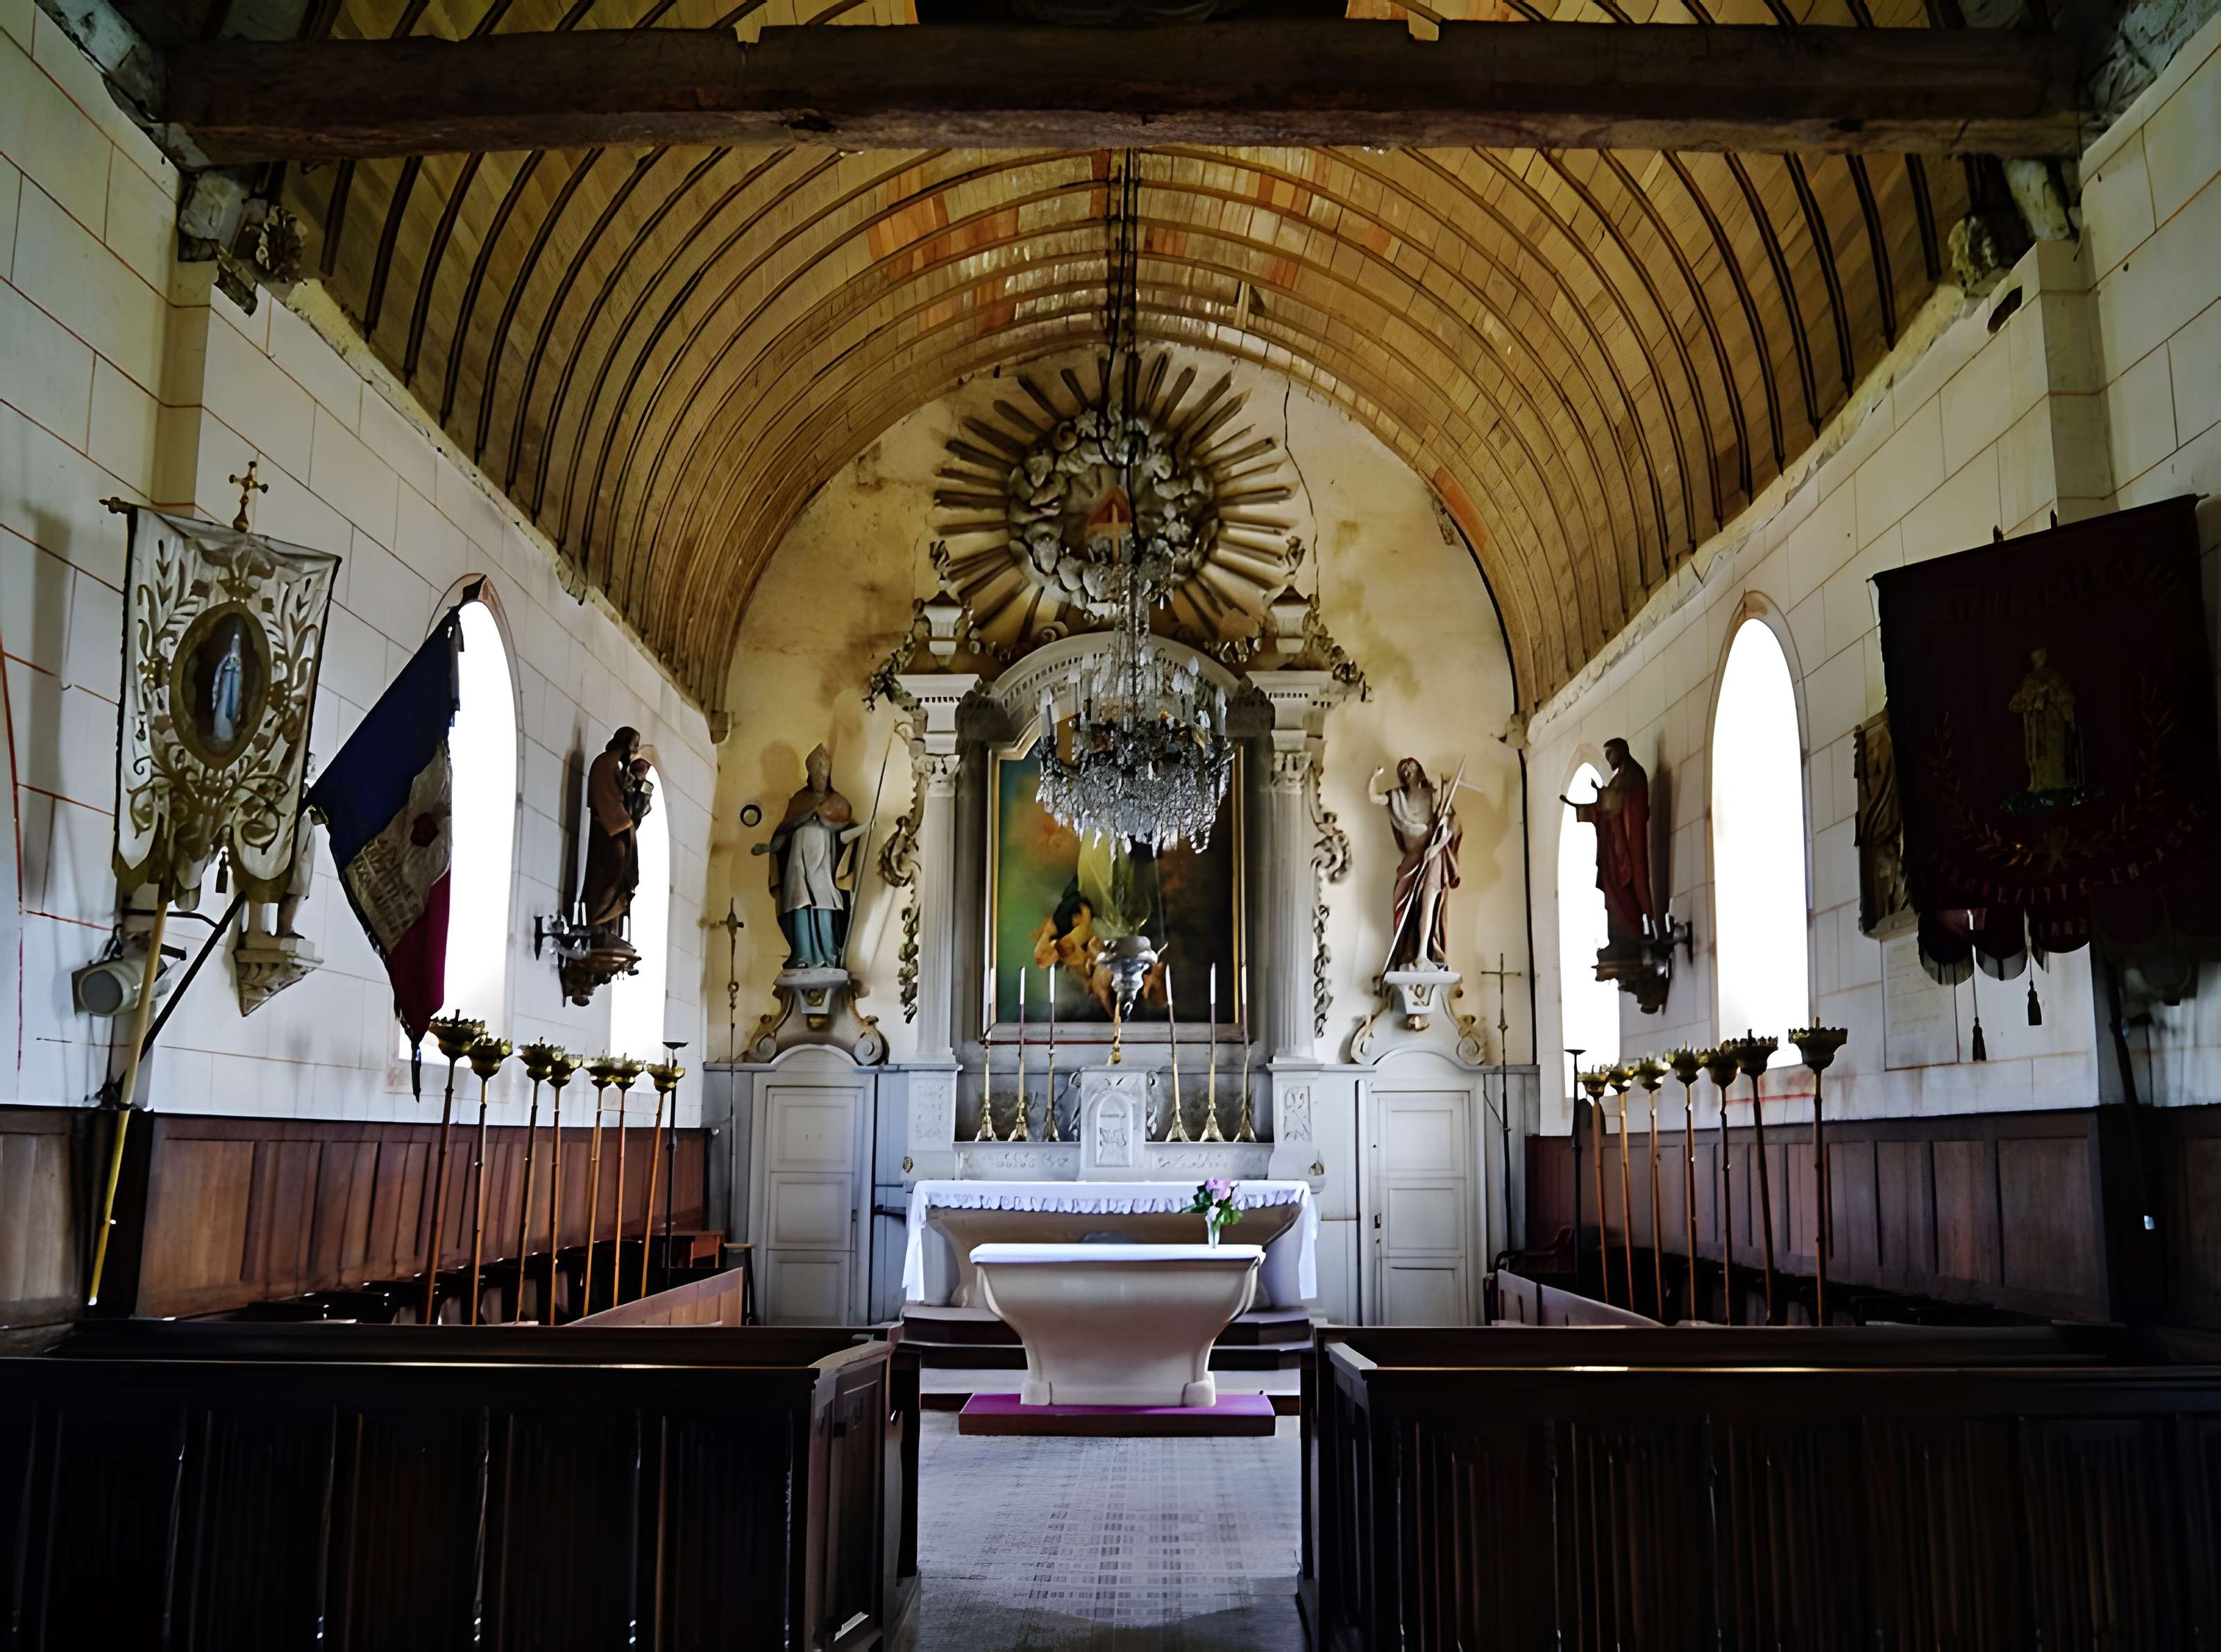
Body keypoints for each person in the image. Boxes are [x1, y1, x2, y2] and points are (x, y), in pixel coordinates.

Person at [754, 744, 870, 969]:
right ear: (810, 776)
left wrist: (864, 828)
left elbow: (844, 835)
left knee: (826, 902)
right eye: (817, 776)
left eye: (824, 777)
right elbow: (783, 833)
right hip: (797, 862)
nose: (820, 781)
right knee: (799, 903)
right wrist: (770, 847)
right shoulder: (798, 801)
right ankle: (802, 955)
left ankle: (829, 954)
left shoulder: (837, 803)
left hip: (825, 861)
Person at [1370, 757, 1462, 970]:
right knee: (1403, 903)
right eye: (1403, 769)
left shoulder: (1434, 795)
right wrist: (1374, 778)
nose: (1407, 771)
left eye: (1411, 767)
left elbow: (1451, 825)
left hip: (1433, 855)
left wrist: (1437, 847)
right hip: (1412, 858)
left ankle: (1423, 954)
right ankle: (1408, 953)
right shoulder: (1398, 797)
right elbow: (1375, 797)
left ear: (1419, 769)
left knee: (1429, 901)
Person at [1562, 737, 1656, 945]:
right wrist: (1584, 807)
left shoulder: (1633, 774)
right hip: (1614, 844)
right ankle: (1620, 935)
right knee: (1613, 888)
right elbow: (1607, 807)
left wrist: (1604, 795)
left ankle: (1638, 929)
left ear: (1622, 750)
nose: (1607, 758)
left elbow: (1625, 804)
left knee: (1633, 881)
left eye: (1610, 753)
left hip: (1627, 842)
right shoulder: (1618, 778)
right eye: (1605, 754)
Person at [582, 727, 645, 947]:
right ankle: (598, 923)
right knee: (611, 871)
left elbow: (631, 805)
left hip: (619, 828)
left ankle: (611, 928)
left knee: (621, 876)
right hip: (608, 829)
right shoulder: (607, 763)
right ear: (625, 742)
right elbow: (607, 796)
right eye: (634, 744)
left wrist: (639, 783)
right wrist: (623, 822)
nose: (636, 749)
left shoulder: (621, 768)